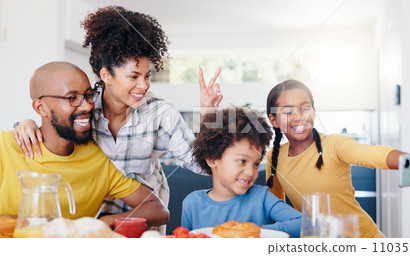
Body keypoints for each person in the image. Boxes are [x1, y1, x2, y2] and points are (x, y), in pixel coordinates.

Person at [12, 6, 221, 227]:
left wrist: (209, 116)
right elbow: (55, 125)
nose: (144, 85)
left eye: (147, 76)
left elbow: (203, 165)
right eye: (133, 76)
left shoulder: (160, 113)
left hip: (144, 219)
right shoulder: (85, 108)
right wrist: (27, 124)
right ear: (106, 75)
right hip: (91, 224)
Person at [265, 79, 410, 238]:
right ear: (273, 120)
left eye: (305, 108)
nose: (299, 116)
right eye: (288, 111)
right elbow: (276, 209)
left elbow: (372, 154)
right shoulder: (275, 157)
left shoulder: (334, 145)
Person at [0, 62, 169, 229]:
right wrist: (42, 226)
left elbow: (157, 209)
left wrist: (103, 222)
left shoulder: (99, 159)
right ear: (40, 108)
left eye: (89, 95)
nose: (87, 106)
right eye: (72, 98)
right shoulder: (4, 146)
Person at [181, 107, 302, 238]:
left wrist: (255, 232)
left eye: (256, 164)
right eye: (241, 161)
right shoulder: (192, 203)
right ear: (212, 159)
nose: (251, 172)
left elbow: (303, 223)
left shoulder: (262, 198)